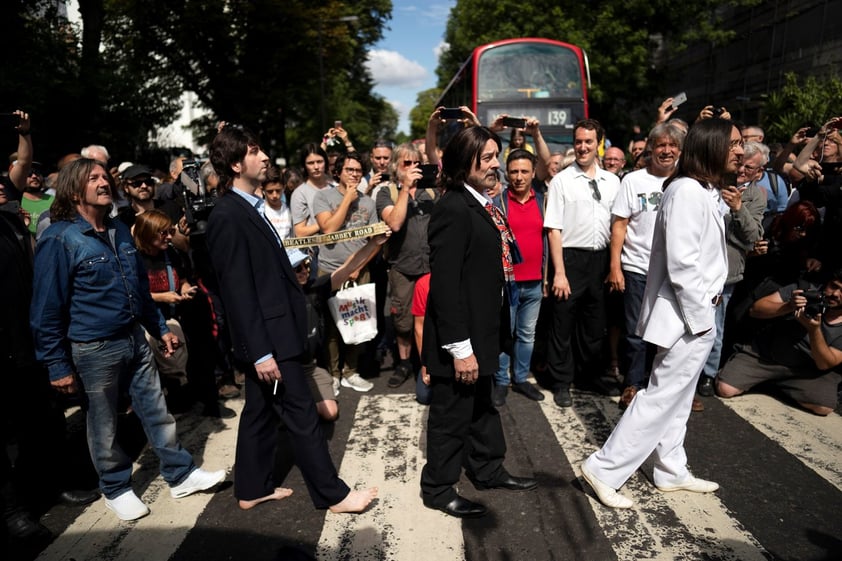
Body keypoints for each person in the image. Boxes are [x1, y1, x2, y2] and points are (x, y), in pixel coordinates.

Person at [30, 158, 226, 522]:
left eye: (106, 177)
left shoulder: (121, 230)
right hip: (93, 348)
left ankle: (180, 474)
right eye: (94, 179)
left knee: (157, 410)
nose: (105, 183)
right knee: (104, 423)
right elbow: (45, 309)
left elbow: (136, 287)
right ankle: (116, 487)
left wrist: (160, 328)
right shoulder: (59, 238)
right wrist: (57, 364)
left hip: (135, 338)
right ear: (74, 190)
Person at [205, 124, 377, 513]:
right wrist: (261, 352)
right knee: (302, 416)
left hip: (274, 331)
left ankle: (251, 488)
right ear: (235, 163)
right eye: (254, 151)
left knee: (260, 413)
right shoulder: (228, 216)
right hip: (270, 338)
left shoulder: (249, 208)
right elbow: (237, 292)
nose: (265, 157)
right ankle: (334, 496)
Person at [580, 118, 742, 509]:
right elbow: (682, 264)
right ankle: (604, 468)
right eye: (733, 144)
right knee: (659, 396)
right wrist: (702, 319)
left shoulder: (700, 188)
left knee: (678, 397)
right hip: (688, 317)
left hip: (693, 315)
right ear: (712, 148)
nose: (739, 151)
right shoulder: (686, 191)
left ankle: (670, 468)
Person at [421, 125, 537, 520]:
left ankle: (488, 469)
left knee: (484, 408)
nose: (495, 165)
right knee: (451, 416)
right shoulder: (453, 208)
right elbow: (445, 288)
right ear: (462, 162)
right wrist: (460, 349)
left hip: (483, 331)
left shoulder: (482, 203)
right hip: (460, 339)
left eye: (495, 156)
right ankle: (438, 487)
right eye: (485, 158)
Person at [606, 123, 685, 410]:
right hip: (637, 268)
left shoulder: (687, 182)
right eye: (661, 145)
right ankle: (633, 384)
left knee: (672, 332)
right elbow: (620, 225)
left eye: (672, 146)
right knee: (635, 331)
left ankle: (668, 389)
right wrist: (615, 266)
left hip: (674, 272)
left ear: (679, 150)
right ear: (650, 148)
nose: (666, 151)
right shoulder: (634, 181)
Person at [544, 119, 621, 407]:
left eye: (589, 141)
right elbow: (553, 228)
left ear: (598, 143)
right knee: (562, 322)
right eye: (578, 141)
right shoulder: (562, 180)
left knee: (595, 324)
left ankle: (590, 376)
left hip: (600, 259)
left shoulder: (613, 182)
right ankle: (561, 381)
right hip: (570, 258)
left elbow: (618, 226)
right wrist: (559, 273)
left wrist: (614, 265)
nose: (583, 147)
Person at [716, 272, 842, 416]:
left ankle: (780, 385)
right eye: (833, 287)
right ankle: (761, 378)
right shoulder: (804, 290)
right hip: (767, 355)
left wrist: (813, 330)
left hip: (805, 369)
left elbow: (825, 363)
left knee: (823, 407)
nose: (836, 294)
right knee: (725, 389)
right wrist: (788, 306)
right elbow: (755, 310)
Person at [491, 123, 549, 407]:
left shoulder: (542, 198)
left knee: (527, 334)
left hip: (535, 281)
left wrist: (536, 135)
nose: (519, 177)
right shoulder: (498, 202)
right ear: (506, 173)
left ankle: (521, 378)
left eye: (524, 171)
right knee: (505, 333)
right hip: (507, 282)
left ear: (532, 172)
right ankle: (501, 381)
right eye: (513, 171)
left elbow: (548, 162)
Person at [313, 152, 379, 394]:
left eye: (358, 171)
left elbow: (376, 241)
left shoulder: (369, 203)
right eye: (349, 170)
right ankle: (333, 374)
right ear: (338, 172)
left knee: (358, 323)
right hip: (329, 270)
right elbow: (328, 228)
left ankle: (351, 372)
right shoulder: (323, 197)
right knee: (331, 327)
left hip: (359, 272)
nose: (354, 174)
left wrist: (358, 267)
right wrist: (347, 200)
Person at [376, 142, 438, 388]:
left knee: (432, 318)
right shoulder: (387, 193)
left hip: (430, 267)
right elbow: (395, 224)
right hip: (402, 268)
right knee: (403, 322)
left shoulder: (431, 192)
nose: (413, 168)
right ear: (395, 167)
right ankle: (404, 364)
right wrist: (405, 189)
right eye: (407, 163)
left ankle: (428, 361)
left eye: (416, 163)